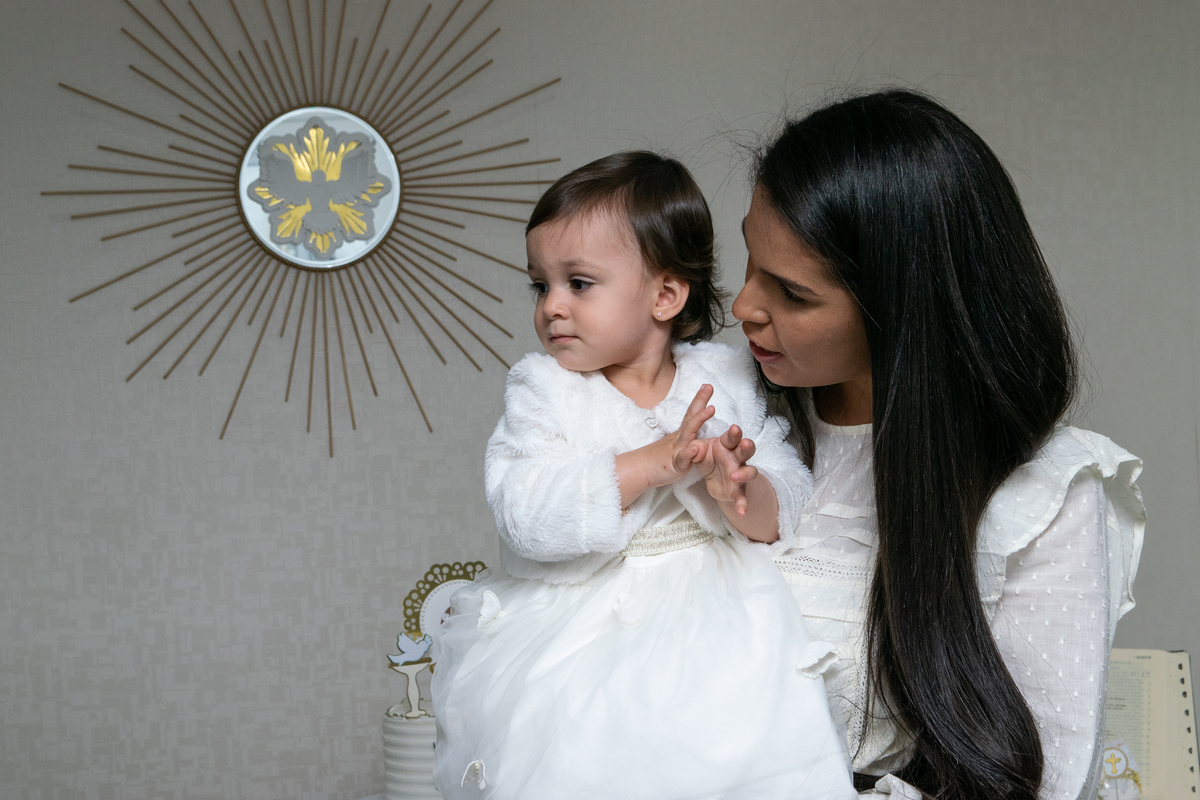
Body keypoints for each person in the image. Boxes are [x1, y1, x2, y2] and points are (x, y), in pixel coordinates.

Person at [732, 89, 1145, 800]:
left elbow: (1048, 778)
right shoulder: (726, 411)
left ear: (903, 309)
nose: (743, 306)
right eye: (748, 258)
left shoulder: (1042, 497)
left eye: (792, 294)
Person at [431, 151, 856, 800]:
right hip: (582, 625)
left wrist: (742, 491)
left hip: (721, 615)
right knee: (590, 754)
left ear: (665, 295)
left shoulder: (724, 376)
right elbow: (523, 512)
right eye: (540, 285)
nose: (552, 307)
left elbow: (789, 488)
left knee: (741, 746)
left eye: (578, 283)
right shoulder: (545, 390)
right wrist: (650, 464)